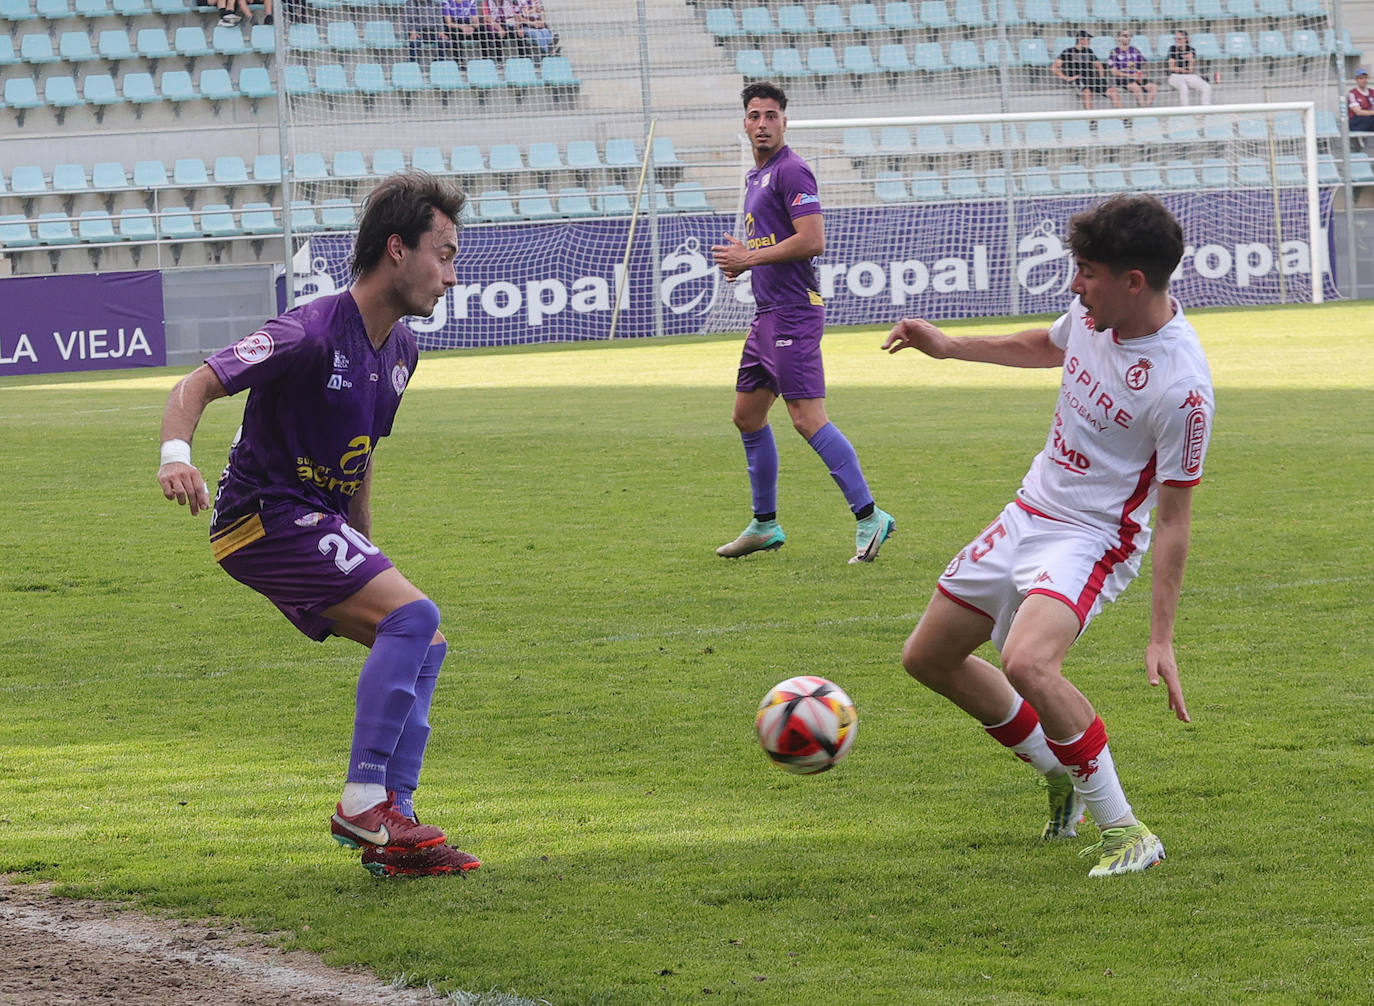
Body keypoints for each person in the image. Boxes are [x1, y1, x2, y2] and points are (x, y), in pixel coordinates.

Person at [156, 172, 481, 879]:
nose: (452, 276)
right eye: (445, 254)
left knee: (425, 636)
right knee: (414, 618)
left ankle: (391, 825)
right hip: (258, 518)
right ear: (397, 249)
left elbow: (359, 459)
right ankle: (363, 800)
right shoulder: (307, 332)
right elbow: (198, 383)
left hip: (309, 520)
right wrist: (175, 457)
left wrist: (369, 548)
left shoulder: (400, 352)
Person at [881, 194, 1214, 878]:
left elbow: (1175, 520)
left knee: (1029, 663)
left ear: (1133, 281)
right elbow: (1047, 343)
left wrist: (1161, 638)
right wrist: (949, 347)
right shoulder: (1096, 316)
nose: (1073, 284)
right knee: (927, 658)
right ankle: (1058, 773)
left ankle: (1126, 832)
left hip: (1092, 538)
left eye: (1086, 271)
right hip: (1028, 512)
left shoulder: (1183, 388)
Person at [711, 81, 896, 564]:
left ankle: (870, 516)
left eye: (771, 115)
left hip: (794, 311)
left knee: (806, 418)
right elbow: (768, 248)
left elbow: (813, 240)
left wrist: (748, 259)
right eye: (754, 116)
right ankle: (765, 525)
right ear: (745, 122)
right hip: (767, 314)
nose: (762, 124)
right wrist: (743, 262)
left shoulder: (792, 170)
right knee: (746, 415)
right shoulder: (757, 177)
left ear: (784, 121)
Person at [1051, 30, 1123, 111]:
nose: (1089, 42)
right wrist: (1067, 78)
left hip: (1093, 79)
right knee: (1087, 92)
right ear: (1081, 40)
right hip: (1079, 79)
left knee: (1113, 91)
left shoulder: (1089, 51)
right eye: (1088, 40)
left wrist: (1102, 78)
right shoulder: (1068, 52)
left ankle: (1124, 118)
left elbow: (1099, 66)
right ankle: (1091, 120)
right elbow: (1054, 67)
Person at [1107, 30, 1157, 107]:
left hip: (1137, 76)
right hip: (1124, 78)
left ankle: (1146, 107)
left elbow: (1144, 63)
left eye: (1129, 36)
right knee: (1137, 88)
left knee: (1153, 87)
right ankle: (1143, 110)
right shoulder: (1114, 52)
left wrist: (1142, 73)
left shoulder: (1134, 50)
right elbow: (1114, 72)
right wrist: (1130, 76)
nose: (1128, 37)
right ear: (1119, 38)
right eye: (1125, 35)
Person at [1166, 29, 1212, 106]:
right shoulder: (1172, 49)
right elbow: (1172, 68)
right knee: (1183, 87)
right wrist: (1184, 69)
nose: (1177, 41)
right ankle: (1186, 112)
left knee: (1207, 87)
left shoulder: (1191, 50)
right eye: (1176, 39)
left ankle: (1206, 109)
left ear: (1186, 39)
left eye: (1179, 39)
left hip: (1188, 75)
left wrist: (1190, 59)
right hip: (1175, 76)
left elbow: (1190, 70)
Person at [1347, 68, 1374, 134]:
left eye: (1365, 78)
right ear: (1356, 80)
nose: (1364, 80)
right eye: (1361, 78)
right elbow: (1358, 112)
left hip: (1370, 120)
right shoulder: (1352, 93)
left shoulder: (1372, 92)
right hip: (1356, 121)